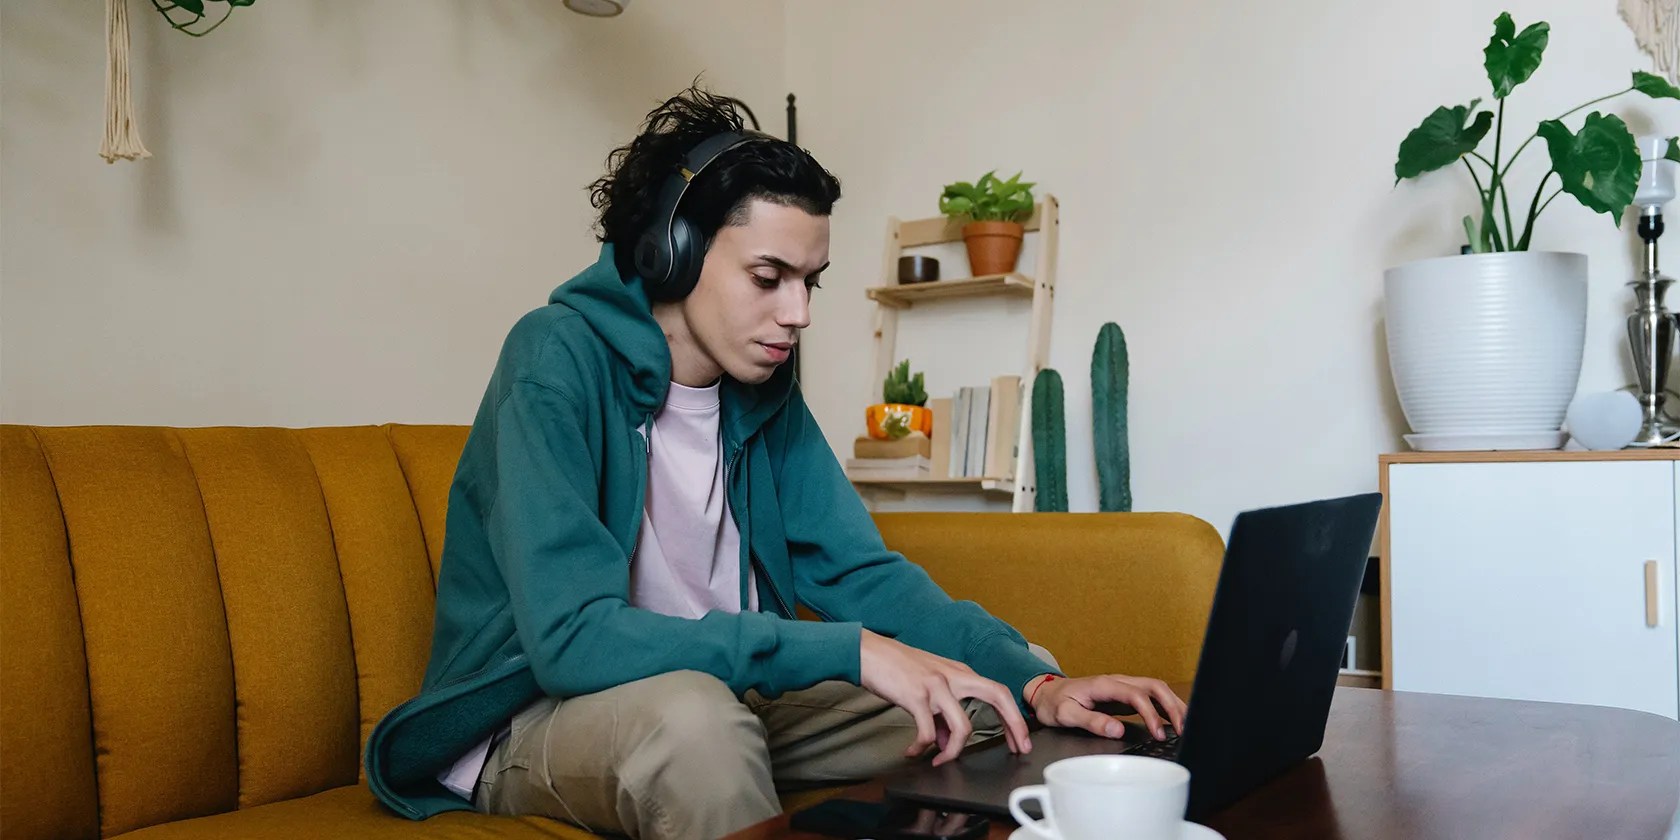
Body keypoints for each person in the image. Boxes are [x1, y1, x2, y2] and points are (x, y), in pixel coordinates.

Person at [363, 83, 1187, 840]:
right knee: (696, 725)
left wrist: (1038, 683)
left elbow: (861, 573)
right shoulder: (554, 359)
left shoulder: (760, 385)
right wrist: (850, 652)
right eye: (769, 276)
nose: (796, 313)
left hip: (727, 694)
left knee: (975, 703)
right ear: (672, 252)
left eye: (811, 283)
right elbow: (572, 640)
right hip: (543, 717)